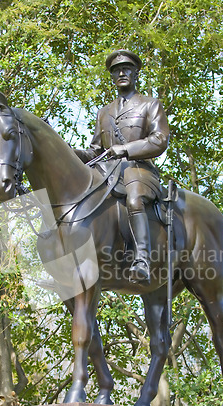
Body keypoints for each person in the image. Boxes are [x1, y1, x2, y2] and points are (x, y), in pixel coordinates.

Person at [75, 49, 170, 284]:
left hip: (139, 170)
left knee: (134, 199)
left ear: (136, 73)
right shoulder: (104, 112)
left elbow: (159, 140)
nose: (121, 73)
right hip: (108, 173)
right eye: (116, 71)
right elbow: (96, 150)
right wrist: (70, 152)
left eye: (126, 69)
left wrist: (127, 149)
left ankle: (142, 260)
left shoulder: (150, 105)